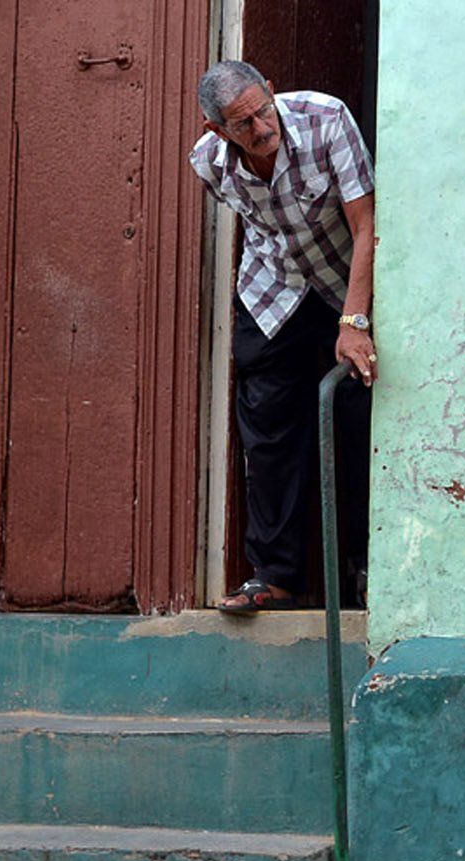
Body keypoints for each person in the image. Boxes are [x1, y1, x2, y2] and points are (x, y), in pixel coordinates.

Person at [191, 61, 376, 614]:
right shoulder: (209, 163)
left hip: (343, 280)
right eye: (242, 124)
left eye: (262, 110)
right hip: (274, 290)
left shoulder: (325, 119)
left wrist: (355, 321)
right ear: (216, 130)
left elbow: (368, 223)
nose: (261, 129)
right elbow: (258, 224)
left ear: (271, 91)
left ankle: (368, 566)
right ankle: (274, 576)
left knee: (357, 412)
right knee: (268, 428)